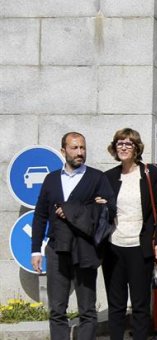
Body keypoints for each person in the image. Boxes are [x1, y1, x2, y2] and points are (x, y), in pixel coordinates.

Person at [31, 132, 115, 339]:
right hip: (56, 248)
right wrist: (35, 250)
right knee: (57, 308)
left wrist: (71, 209)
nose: (80, 152)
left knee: (87, 309)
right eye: (74, 148)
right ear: (63, 151)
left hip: (84, 249)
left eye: (82, 148)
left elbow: (109, 210)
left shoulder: (97, 178)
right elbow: (40, 215)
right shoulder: (51, 179)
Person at [102, 128, 157, 340]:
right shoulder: (108, 177)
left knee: (140, 305)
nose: (123, 147)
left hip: (140, 248)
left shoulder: (150, 174)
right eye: (119, 143)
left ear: (136, 148)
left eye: (128, 144)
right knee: (116, 304)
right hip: (113, 247)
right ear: (114, 147)